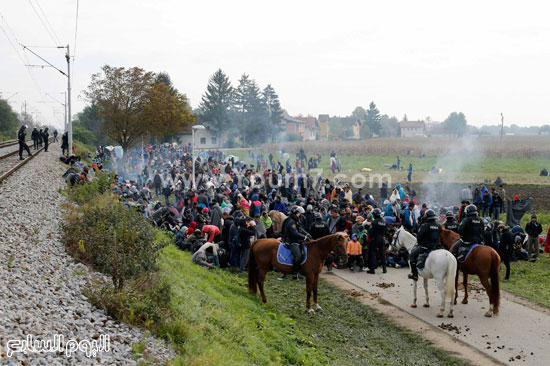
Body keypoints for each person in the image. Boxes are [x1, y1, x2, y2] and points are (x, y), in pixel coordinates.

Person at [408, 209, 441, 280]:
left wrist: (420, 244)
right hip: (436, 247)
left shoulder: (424, 226)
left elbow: (419, 237)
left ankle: (415, 275)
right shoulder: (438, 226)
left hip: (425, 247)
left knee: (412, 256)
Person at [281, 206, 310, 279]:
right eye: (298, 213)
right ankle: (295, 273)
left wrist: (307, 234)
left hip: (298, 240)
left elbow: (300, 229)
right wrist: (304, 237)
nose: (300, 215)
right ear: (294, 213)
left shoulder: (297, 220)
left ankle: (300, 271)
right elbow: (295, 233)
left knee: (304, 253)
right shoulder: (291, 222)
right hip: (292, 241)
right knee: (298, 256)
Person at [367, 208, 387, 274]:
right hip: (382, 239)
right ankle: (384, 269)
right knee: (383, 254)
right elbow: (386, 231)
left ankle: (372, 269)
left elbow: (370, 233)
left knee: (373, 253)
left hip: (375, 239)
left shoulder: (374, 222)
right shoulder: (384, 221)